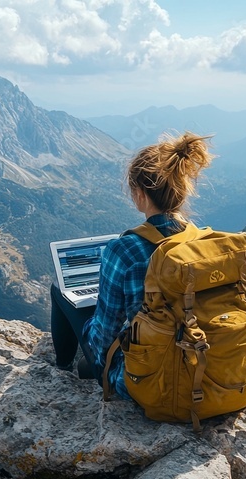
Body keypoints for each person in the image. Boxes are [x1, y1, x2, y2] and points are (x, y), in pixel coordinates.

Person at [50, 132, 214, 398]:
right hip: (206, 372)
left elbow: (103, 338)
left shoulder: (125, 250)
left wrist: (89, 321)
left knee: (60, 289)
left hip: (147, 382)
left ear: (140, 195)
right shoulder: (205, 242)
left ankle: (61, 369)